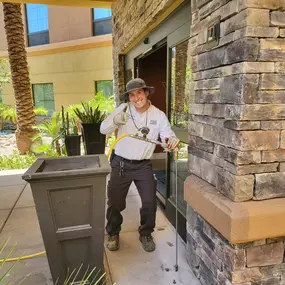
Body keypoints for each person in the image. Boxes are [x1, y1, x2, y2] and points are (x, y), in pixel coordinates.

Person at [100, 78, 180, 252]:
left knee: (150, 202)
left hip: (143, 165)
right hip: (120, 163)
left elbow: (167, 136)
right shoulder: (123, 109)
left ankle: (145, 233)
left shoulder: (158, 115)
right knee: (115, 202)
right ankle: (113, 232)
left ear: (146, 93)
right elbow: (102, 129)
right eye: (131, 95)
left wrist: (171, 141)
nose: (136, 98)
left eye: (139, 93)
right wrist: (115, 121)